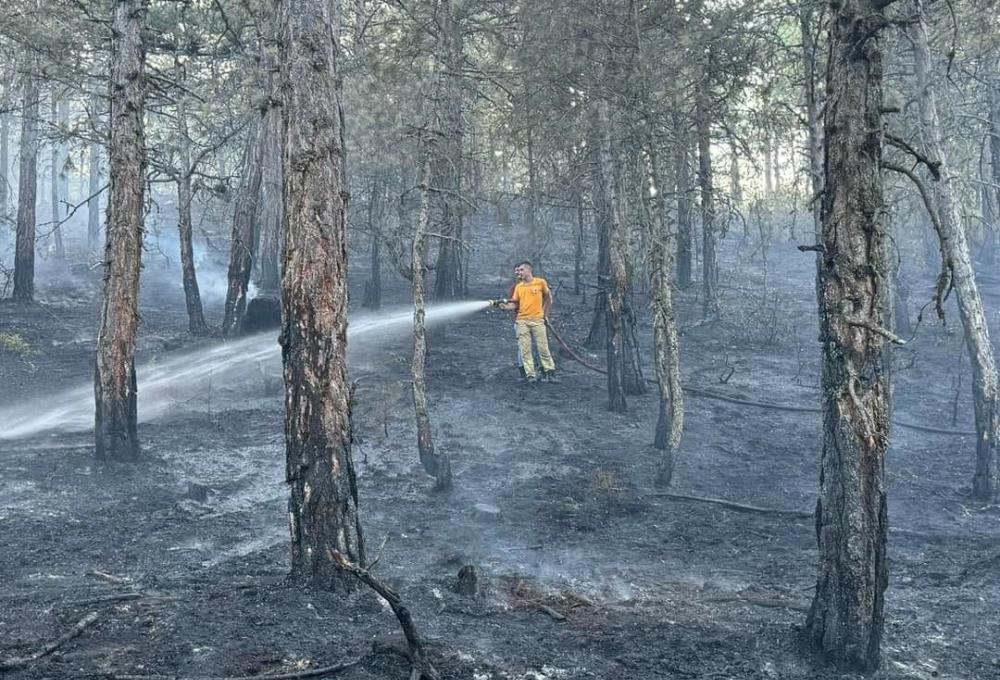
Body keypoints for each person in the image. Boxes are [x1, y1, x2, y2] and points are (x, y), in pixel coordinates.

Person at [500, 261, 559, 383]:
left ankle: (550, 373)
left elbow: (549, 298)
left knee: (543, 348)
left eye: (521, 270)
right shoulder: (518, 287)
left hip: (537, 320)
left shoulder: (540, 282)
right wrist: (505, 307)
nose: (519, 273)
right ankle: (530, 375)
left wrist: (545, 314)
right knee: (525, 350)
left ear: (529, 270)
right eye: (518, 270)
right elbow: (514, 304)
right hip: (522, 321)